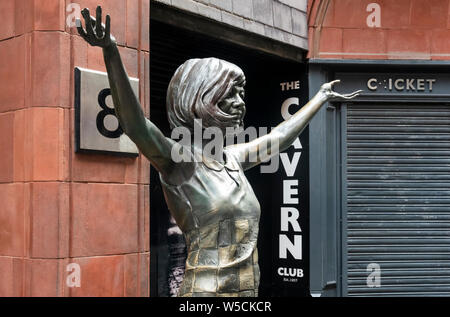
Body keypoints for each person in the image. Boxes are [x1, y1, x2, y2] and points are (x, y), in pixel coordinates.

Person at [77, 6, 362, 297]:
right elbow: (135, 125)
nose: (241, 102)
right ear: (202, 99)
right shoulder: (181, 162)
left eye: (241, 93)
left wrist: (321, 97)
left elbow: (280, 137)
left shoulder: (234, 158)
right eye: (230, 94)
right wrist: (111, 51)